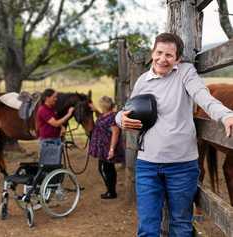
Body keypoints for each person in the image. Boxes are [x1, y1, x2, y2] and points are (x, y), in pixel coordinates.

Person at [115, 32, 233, 236]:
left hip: (182, 166)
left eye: (169, 55)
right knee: (147, 227)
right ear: (153, 52)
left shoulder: (185, 73)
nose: (162, 59)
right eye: (159, 53)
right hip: (147, 166)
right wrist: (120, 119)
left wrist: (226, 115)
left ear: (178, 59)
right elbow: (127, 109)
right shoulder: (143, 81)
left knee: (180, 225)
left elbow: (203, 97)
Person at [89, 96, 125, 199]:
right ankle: (110, 190)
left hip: (107, 147)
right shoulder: (105, 115)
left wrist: (112, 149)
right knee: (105, 168)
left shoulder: (112, 117)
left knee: (106, 169)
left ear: (104, 106)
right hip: (103, 147)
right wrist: (95, 109)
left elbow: (115, 133)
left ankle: (111, 192)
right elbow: (101, 119)